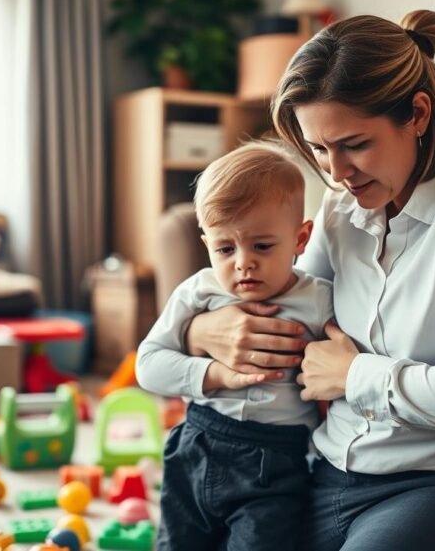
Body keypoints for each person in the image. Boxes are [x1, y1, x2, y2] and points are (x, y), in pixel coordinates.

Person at [183, 9, 435, 550]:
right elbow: (286, 311)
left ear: (416, 114)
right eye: (319, 149)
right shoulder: (343, 206)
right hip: (338, 469)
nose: (335, 173)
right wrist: (202, 332)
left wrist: (354, 375)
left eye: (354, 144)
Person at [136, 141, 335, 551]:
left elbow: (343, 358)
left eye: (262, 246)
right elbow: (149, 364)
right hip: (197, 444)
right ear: (206, 241)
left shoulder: (319, 300)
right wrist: (214, 374)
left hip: (275, 461)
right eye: (225, 248)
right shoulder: (199, 290)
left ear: (301, 238)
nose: (243, 262)